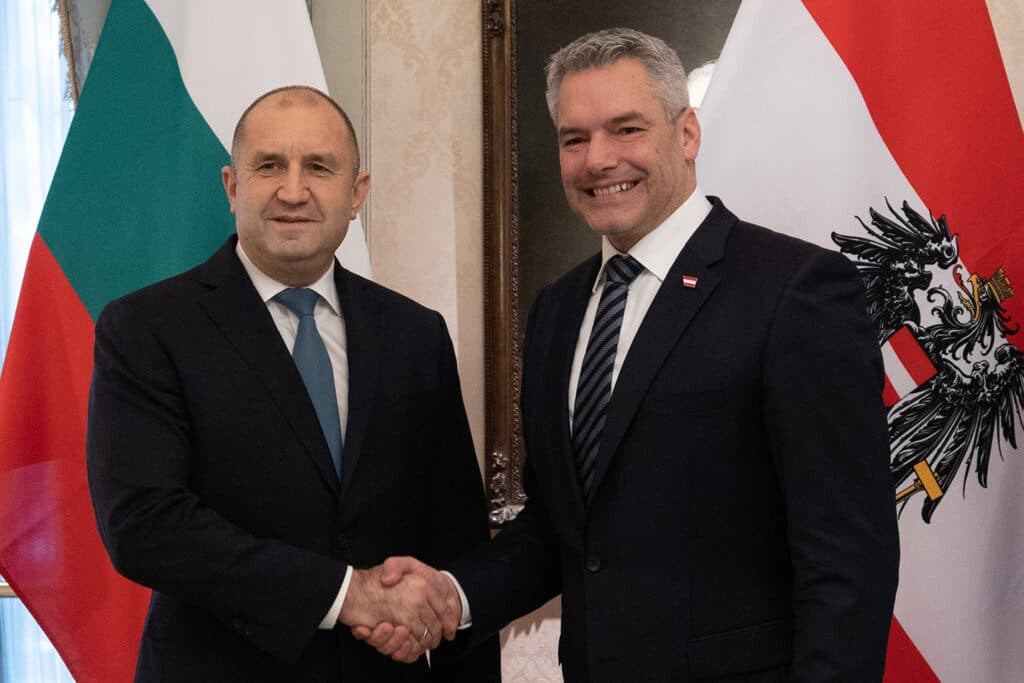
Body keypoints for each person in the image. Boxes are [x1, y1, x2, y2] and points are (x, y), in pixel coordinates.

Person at [361, 28, 900, 681]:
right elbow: (562, 528)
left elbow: (847, 558)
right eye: (574, 139)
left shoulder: (794, 291)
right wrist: (454, 594)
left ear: (687, 134)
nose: (598, 160)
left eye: (627, 129)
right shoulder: (558, 310)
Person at [86, 86, 499, 681]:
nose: (293, 190)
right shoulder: (147, 329)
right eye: (270, 166)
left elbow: (457, 542)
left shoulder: (415, 334)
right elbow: (145, 526)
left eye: (320, 168)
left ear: (356, 193)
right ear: (232, 186)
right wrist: (346, 594)